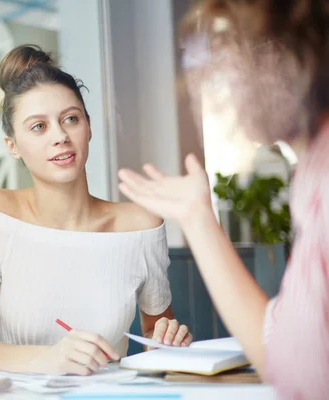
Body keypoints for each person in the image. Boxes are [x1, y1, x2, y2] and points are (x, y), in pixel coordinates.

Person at [118, 1, 329, 399]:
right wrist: (197, 218)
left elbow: (301, 371)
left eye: (229, 48)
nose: (213, 78)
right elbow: (282, 349)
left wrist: (197, 219)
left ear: (288, 52)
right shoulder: (313, 169)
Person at [0, 45, 192, 376]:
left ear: (88, 127)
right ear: (13, 146)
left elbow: (154, 336)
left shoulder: (141, 225)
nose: (61, 136)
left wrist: (168, 342)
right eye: (39, 127)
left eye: (71, 119)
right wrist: (49, 359)